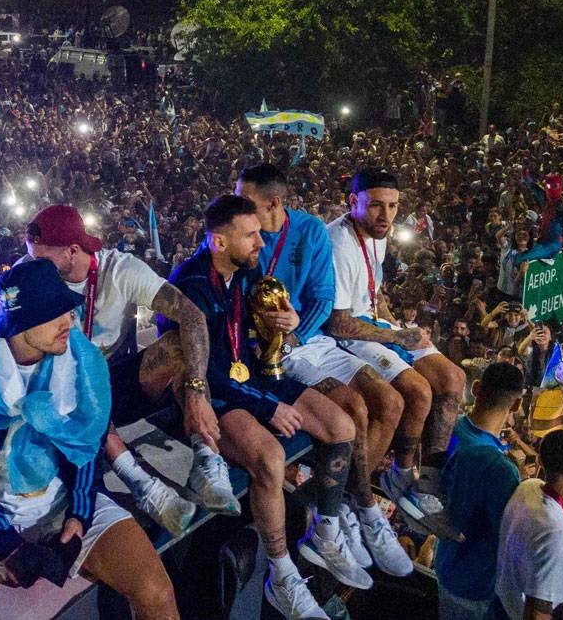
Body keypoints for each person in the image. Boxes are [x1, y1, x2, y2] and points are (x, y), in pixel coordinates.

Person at [0, 259, 178, 620]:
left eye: (69, 310)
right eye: (55, 314)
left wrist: (80, 513)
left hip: (61, 499)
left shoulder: (80, 358)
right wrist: (7, 544)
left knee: (158, 593)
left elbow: (88, 442)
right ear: (21, 322)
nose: (69, 322)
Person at [165, 195, 366, 619]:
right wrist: (267, 406)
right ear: (219, 242)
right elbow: (202, 371)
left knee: (341, 427)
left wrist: (286, 326)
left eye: (261, 232)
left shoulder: (242, 274)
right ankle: (282, 574)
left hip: (251, 379)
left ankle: (324, 531)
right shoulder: (191, 285)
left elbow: (251, 342)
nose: (262, 241)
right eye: (251, 235)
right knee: (271, 460)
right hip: (216, 393)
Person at [236, 163, 412, 577]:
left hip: (309, 338)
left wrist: (295, 333)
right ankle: (354, 511)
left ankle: (345, 504)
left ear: (274, 203)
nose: (240, 210)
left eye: (249, 203)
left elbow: (322, 298)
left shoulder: (310, 231)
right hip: (273, 353)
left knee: (389, 400)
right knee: (354, 408)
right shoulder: (243, 237)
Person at [26, 205, 236, 537]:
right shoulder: (31, 278)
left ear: (73, 251)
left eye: (42, 259)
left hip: (118, 377)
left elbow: (192, 316)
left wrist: (196, 390)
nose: (34, 266)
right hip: (67, 386)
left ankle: (206, 458)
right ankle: (142, 485)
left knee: (176, 346)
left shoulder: (120, 269)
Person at [326, 168, 466, 535]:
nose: (386, 216)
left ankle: (429, 480)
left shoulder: (378, 234)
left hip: (377, 325)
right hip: (350, 334)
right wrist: (393, 339)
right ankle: (399, 475)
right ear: (352, 202)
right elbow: (339, 323)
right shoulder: (339, 244)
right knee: (418, 392)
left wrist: (400, 328)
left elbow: (375, 295)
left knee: (454, 378)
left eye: (392, 206)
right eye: (375, 206)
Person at [434, 362, 525, 620]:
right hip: (474, 587)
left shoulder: (448, 429)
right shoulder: (500, 468)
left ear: (475, 388)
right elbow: (508, 543)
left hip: (445, 566)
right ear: (516, 404)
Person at [494, 429, 563, 620]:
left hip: (503, 600)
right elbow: (538, 612)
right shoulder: (554, 533)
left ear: (540, 462)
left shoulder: (528, 487)